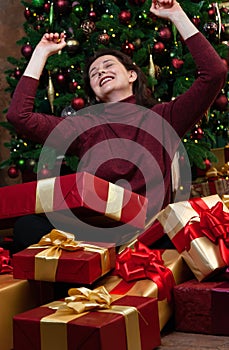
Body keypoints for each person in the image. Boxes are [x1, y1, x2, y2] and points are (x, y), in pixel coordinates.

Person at [6, 0, 227, 252]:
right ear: (95, 94)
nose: (100, 71)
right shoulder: (83, 127)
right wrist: (41, 52)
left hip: (148, 236)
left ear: (132, 75)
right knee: (26, 227)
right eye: (93, 73)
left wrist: (176, 15)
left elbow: (214, 73)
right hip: (93, 238)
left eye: (109, 65)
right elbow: (19, 116)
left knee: (186, 234)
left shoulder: (164, 117)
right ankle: (96, 266)